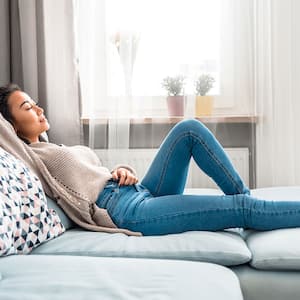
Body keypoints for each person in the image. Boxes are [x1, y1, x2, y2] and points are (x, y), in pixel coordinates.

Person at [1, 83, 300, 236]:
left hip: (136, 190)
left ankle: (245, 205)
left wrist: (121, 170)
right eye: (27, 107)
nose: (39, 110)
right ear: (11, 127)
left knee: (189, 129)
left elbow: (95, 175)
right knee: (242, 208)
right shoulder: (29, 156)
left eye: (36, 104)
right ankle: (247, 209)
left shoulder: (56, 148)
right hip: (129, 211)